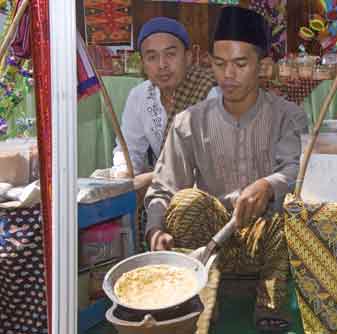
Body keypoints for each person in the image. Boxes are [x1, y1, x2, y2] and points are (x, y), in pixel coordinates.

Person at [144, 6, 308, 332]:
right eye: (220, 64)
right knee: (188, 202)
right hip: (211, 240)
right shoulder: (190, 120)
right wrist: (154, 229)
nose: (228, 74)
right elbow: (164, 186)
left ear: (262, 66)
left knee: (286, 217)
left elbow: (297, 169)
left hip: (265, 241)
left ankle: (270, 308)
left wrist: (268, 184)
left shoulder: (288, 116)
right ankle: (201, 302)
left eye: (240, 64)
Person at [112, 17, 217, 176]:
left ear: (188, 57)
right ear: (143, 64)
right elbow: (128, 150)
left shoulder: (209, 93)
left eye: (171, 54)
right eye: (152, 57)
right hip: (161, 185)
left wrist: (149, 180)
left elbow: (212, 164)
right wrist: (124, 172)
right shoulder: (139, 96)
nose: (162, 65)